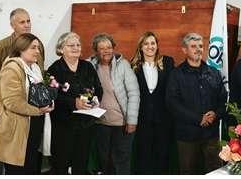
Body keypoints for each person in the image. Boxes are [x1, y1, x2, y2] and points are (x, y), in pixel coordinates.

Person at [0, 34, 53, 174]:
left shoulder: (34, 68)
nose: (37, 51)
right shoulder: (12, 68)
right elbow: (12, 102)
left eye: (38, 48)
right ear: (20, 48)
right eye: (33, 47)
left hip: (32, 124)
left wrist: (48, 100)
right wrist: (38, 111)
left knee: (31, 167)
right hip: (17, 128)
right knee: (18, 170)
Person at [166, 33, 227, 174]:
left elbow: (223, 100)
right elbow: (172, 104)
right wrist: (198, 118)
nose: (198, 49)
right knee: (188, 172)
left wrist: (216, 114)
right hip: (187, 136)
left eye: (200, 46)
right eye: (193, 46)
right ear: (184, 50)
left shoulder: (213, 72)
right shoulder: (176, 74)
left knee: (215, 172)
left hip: (211, 135)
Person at [46, 32, 103, 175]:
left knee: (81, 165)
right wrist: (73, 103)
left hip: (85, 124)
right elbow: (53, 96)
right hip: (63, 127)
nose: (76, 48)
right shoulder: (54, 69)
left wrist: (94, 99)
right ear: (61, 49)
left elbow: (98, 88)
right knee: (60, 166)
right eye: (71, 45)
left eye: (78, 45)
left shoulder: (87, 66)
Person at [89, 33, 140, 174]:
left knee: (121, 161)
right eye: (102, 48)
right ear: (96, 51)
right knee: (104, 161)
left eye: (109, 47)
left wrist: (131, 120)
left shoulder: (123, 65)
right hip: (100, 123)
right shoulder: (90, 66)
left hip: (122, 123)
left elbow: (134, 94)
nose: (106, 51)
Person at [132, 31, 175, 175]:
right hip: (142, 119)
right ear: (141, 47)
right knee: (143, 155)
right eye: (146, 44)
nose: (150, 46)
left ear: (157, 45)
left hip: (164, 119)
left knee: (162, 155)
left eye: (153, 43)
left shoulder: (167, 62)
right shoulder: (134, 66)